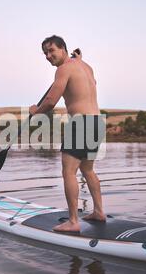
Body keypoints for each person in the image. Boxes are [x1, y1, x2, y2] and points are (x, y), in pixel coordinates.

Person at [29, 35, 105, 233]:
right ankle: (99, 212)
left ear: (63, 49)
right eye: (45, 52)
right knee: (87, 170)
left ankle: (73, 221)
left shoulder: (64, 69)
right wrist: (78, 60)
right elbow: (91, 83)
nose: (48, 55)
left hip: (80, 123)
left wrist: (35, 111)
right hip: (96, 122)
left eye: (51, 50)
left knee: (68, 172)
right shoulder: (85, 66)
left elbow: (51, 101)